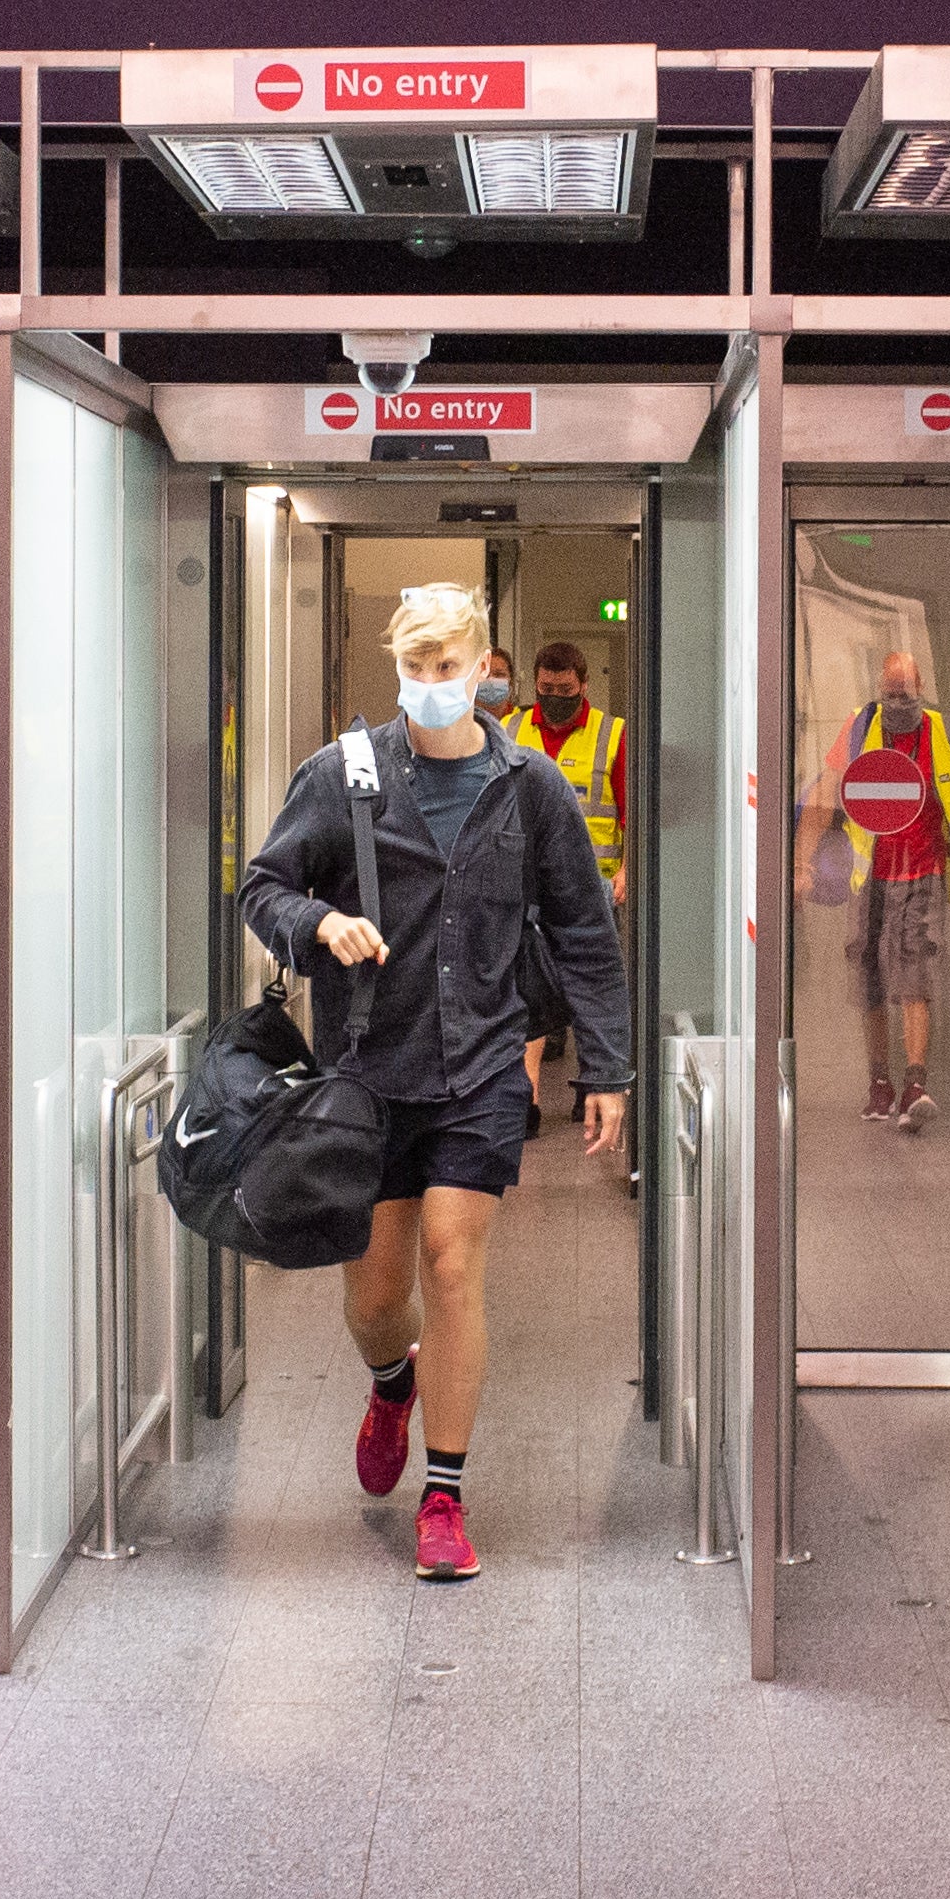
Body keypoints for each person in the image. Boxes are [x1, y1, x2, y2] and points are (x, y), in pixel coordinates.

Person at [243, 582, 630, 1583]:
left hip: (484, 1066)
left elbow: (584, 928)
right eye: (413, 669)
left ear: (482, 665)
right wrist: (318, 924)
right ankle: (388, 1381)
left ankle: (445, 1495)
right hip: (369, 1069)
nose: (430, 685)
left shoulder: (530, 783)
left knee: (454, 1265)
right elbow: (263, 885)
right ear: (397, 669)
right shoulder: (343, 775)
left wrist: (608, 1066)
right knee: (377, 1294)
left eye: (447, 667)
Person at [790, 648, 950, 1129]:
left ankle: (915, 1083)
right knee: (868, 973)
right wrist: (801, 863)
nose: (898, 702)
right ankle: (879, 1083)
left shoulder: (948, 731)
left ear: (922, 687)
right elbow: (826, 793)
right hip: (869, 874)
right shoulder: (860, 727)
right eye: (890, 694)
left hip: (924, 870)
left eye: (905, 693)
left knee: (916, 970)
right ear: (878, 690)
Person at [508, 640, 628, 1110]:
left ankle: (593, 1082)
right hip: (525, 883)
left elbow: (630, 811)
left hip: (593, 883)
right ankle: (528, 1096)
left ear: (583, 685)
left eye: (564, 688)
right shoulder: (511, 727)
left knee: (589, 982)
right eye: (545, 688)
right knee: (529, 986)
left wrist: (627, 871)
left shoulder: (612, 734)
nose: (554, 695)